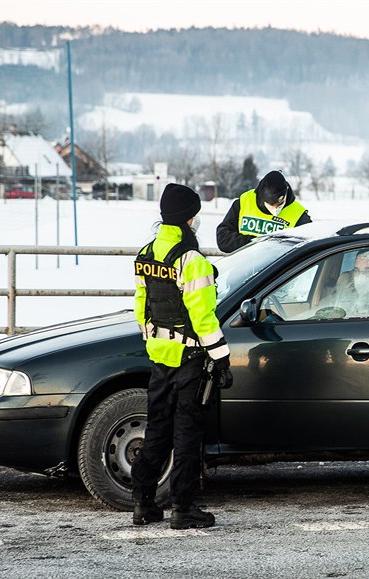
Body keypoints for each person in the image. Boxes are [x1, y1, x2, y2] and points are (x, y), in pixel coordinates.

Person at [132, 183, 233, 529]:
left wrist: (155, 343)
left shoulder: (147, 253)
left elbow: (141, 306)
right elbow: (203, 316)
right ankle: (183, 508)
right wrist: (220, 357)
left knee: (158, 428)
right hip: (190, 358)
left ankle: (143, 502)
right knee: (187, 433)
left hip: (160, 357)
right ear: (188, 218)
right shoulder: (191, 260)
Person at [215, 170, 312, 252]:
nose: (275, 208)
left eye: (279, 203)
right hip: (242, 267)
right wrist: (256, 243)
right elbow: (223, 238)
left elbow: (308, 249)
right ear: (262, 197)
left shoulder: (299, 214)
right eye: (271, 204)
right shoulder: (244, 202)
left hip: (278, 272)